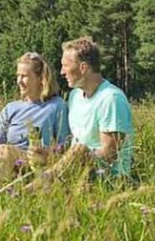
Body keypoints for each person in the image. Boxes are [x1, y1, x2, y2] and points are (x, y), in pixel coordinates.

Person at [30, 36, 134, 181]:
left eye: (65, 66)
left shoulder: (110, 98)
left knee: (79, 149)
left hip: (106, 177)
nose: (61, 72)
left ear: (83, 68)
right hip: (75, 170)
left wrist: (77, 157)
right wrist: (52, 155)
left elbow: (110, 153)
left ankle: (37, 185)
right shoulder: (74, 96)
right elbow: (72, 146)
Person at [0, 52, 70, 182]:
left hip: (40, 164)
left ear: (41, 78)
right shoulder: (11, 108)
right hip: (9, 163)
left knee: (5, 150)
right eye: (18, 76)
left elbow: (65, 145)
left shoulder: (56, 106)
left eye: (24, 76)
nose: (19, 81)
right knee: (4, 150)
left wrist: (47, 152)